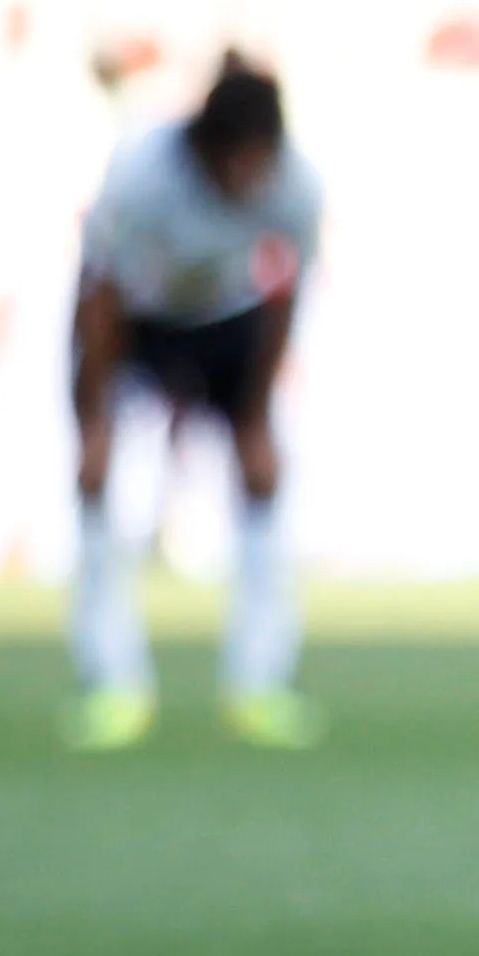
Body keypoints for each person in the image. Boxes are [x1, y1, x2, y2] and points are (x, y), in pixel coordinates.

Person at [66, 53, 325, 751]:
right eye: (237, 162)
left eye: (260, 162)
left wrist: (257, 411)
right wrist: (95, 417)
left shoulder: (297, 187)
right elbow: (102, 294)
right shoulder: (142, 174)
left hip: (228, 318)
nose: (249, 178)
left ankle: (260, 682)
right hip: (134, 321)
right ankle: (112, 681)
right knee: (98, 477)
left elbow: (285, 297)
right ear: (207, 147)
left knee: (264, 472)